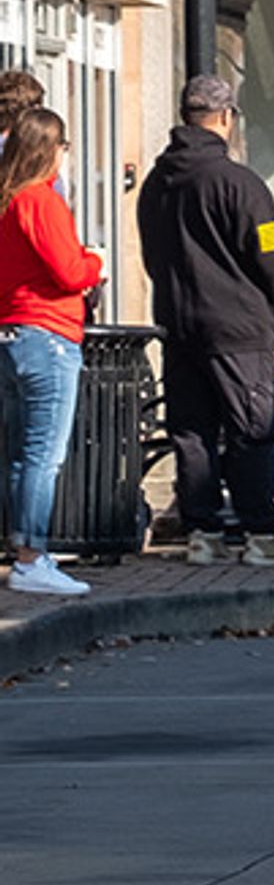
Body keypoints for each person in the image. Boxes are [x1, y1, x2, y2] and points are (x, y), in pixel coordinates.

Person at [137, 75, 274, 565]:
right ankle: (259, 534)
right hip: (238, 327)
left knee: (192, 431)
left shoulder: (156, 184)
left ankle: (202, 532)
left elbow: (152, 254)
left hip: (179, 323)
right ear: (226, 118)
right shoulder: (240, 182)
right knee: (252, 428)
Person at [0, 105, 106, 599]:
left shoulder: (6, 202)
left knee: (21, 455)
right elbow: (69, 271)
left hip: (12, 333)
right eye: (63, 146)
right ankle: (32, 556)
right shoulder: (40, 201)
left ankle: (23, 548)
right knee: (44, 453)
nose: (66, 155)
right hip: (48, 334)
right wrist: (95, 261)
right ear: (50, 150)